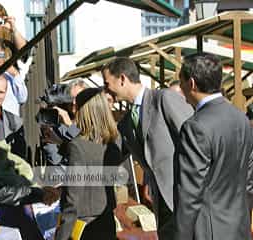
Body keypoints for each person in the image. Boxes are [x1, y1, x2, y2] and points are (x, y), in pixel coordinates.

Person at [102, 57, 193, 239]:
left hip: (187, 199)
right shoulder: (127, 121)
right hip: (161, 203)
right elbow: (110, 155)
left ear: (122, 79)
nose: (105, 90)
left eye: (106, 83)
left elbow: (196, 140)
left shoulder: (164, 99)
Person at [174, 53, 253, 240]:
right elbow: (248, 181)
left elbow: (189, 195)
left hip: (207, 231)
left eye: (181, 82)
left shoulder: (195, 126)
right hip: (238, 227)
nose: (180, 88)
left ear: (191, 83)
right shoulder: (241, 118)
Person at [55, 87, 122, 240]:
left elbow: (72, 200)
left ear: (83, 111)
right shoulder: (115, 140)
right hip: (106, 219)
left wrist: (62, 235)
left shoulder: (78, 145)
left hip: (84, 226)